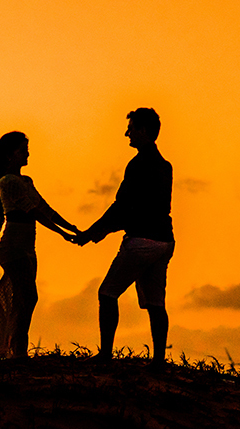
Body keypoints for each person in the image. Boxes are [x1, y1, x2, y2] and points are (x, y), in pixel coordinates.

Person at [75, 108, 174, 367]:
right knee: (155, 302)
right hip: (165, 241)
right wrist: (101, 231)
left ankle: (106, 355)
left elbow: (122, 206)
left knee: (107, 293)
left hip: (141, 241)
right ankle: (159, 360)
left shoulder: (138, 164)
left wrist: (93, 233)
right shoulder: (165, 166)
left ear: (143, 131)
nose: (127, 133)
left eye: (131, 128)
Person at [0, 131, 81, 360]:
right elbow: (34, 211)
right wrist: (62, 233)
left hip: (27, 247)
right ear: (10, 155)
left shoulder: (25, 181)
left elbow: (45, 208)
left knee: (23, 297)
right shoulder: (8, 182)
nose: (27, 153)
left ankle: (17, 350)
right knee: (28, 296)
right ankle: (18, 351)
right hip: (13, 247)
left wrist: (70, 227)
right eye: (22, 150)